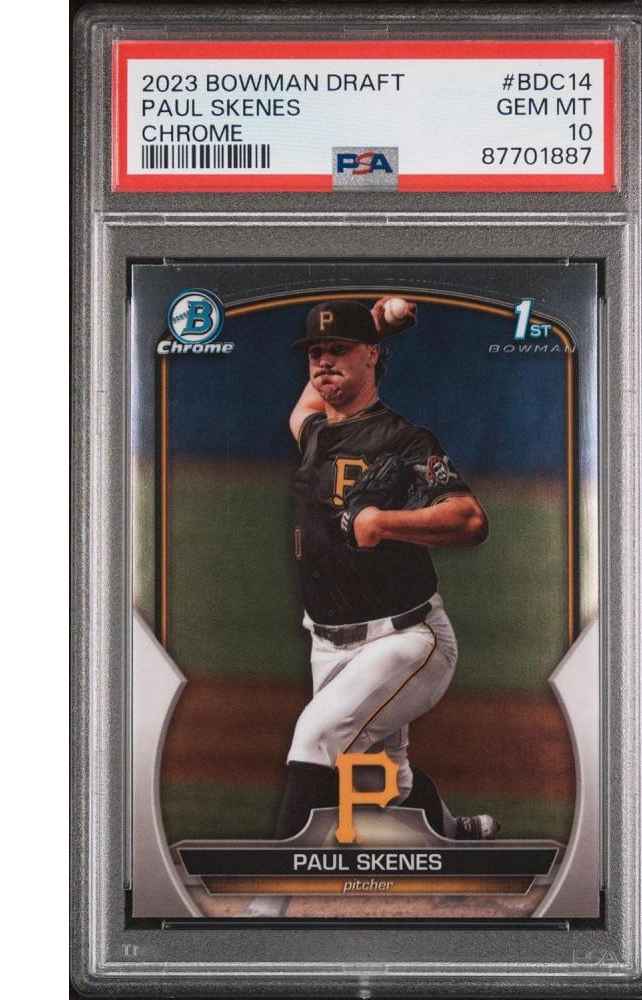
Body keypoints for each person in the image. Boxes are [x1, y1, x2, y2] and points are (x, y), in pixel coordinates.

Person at [274, 298, 497, 846]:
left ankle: (273, 888)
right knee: (380, 782)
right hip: (326, 643)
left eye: (340, 350)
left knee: (315, 739)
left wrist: (385, 522)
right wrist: (373, 324)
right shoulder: (315, 433)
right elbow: (304, 406)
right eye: (316, 353)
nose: (324, 362)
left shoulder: (405, 440)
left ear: (371, 356)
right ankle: (456, 833)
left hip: (406, 639)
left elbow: (470, 519)